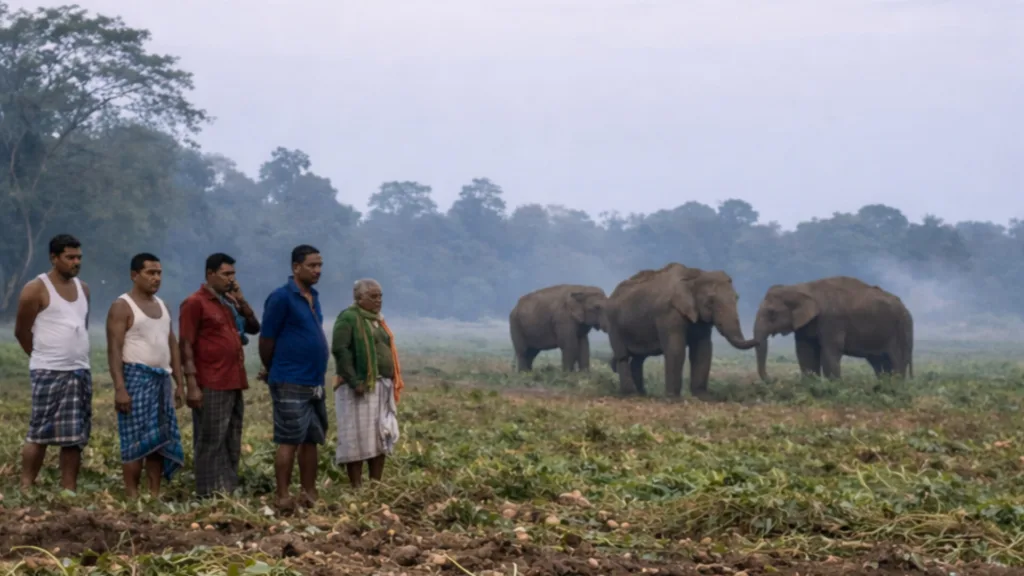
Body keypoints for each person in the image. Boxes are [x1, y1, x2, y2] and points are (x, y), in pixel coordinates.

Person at [14, 234, 92, 492]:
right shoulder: (36, 288)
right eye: (70, 257)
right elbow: (22, 331)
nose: (76, 262)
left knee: (74, 437)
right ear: (54, 258)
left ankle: (69, 489)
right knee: (40, 432)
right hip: (48, 370)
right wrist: (41, 358)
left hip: (79, 370)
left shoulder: (84, 289)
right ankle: (26, 485)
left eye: (78, 257)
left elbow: (82, 326)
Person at [178, 253, 260, 498]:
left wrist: (241, 300)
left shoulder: (228, 303)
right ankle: (207, 492)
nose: (231, 279)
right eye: (226, 274)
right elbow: (185, 344)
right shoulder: (195, 303)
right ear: (210, 274)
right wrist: (191, 383)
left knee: (232, 437)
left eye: (233, 274)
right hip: (211, 381)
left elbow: (254, 327)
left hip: (234, 379)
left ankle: (227, 489)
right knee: (211, 439)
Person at [106, 253, 186, 498]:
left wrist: (179, 384)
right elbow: (114, 349)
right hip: (135, 378)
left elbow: (172, 345)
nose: (156, 278)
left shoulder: (163, 306)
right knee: (134, 440)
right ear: (134, 275)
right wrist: (120, 388)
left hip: (161, 380)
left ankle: (153, 493)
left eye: (159, 273)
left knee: (159, 441)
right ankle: (132, 494)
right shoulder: (122, 306)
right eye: (150, 273)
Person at [259, 245, 330, 509]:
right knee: (289, 438)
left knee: (312, 438)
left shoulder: (314, 297)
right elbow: (266, 339)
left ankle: (310, 492)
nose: (317, 270)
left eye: (320, 265)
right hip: (289, 378)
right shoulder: (281, 297)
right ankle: (283, 495)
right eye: (312, 265)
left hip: (314, 380)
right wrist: (272, 367)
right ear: (295, 267)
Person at [331, 279, 404, 487]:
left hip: (382, 386)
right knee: (356, 438)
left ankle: (375, 485)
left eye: (380, 296)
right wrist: (354, 380)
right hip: (359, 387)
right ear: (358, 297)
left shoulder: (378, 320)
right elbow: (340, 350)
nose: (378, 300)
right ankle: (356, 486)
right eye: (373, 296)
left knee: (380, 435)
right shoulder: (348, 318)